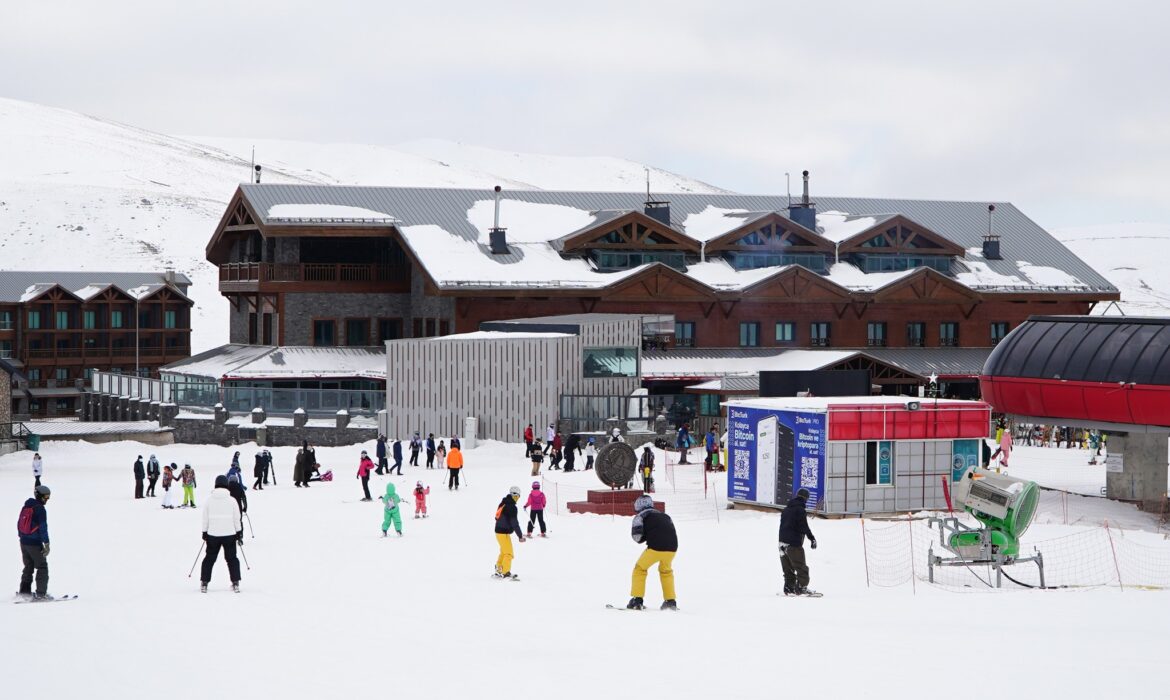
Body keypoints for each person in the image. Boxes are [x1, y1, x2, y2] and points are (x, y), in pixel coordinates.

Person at [628, 494, 677, 610]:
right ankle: (670, 601)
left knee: (639, 569)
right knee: (666, 572)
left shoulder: (641, 516)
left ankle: (637, 600)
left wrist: (645, 535)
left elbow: (637, 537)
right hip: (672, 548)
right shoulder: (664, 515)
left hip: (655, 547)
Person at [200, 475, 243, 593]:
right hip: (229, 534)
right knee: (232, 559)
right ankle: (235, 583)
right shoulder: (232, 500)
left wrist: (204, 532)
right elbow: (236, 518)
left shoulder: (209, 500)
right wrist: (239, 532)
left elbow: (205, 518)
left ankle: (204, 583)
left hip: (213, 535)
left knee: (209, 559)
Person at [779, 487, 818, 596]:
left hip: (781, 543)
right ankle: (801, 587)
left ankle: (789, 587)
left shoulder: (786, 509)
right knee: (801, 567)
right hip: (793, 544)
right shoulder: (800, 510)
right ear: (806, 498)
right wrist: (812, 538)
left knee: (788, 568)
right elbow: (803, 526)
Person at [17, 484, 52, 601]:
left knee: (28, 566)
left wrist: (22, 538)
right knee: (42, 567)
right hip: (33, 543)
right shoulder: (40, 510)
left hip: (24, 542)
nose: (47, 499)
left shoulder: (26, 506)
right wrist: (46, 543)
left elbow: (19, 523)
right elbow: (43, 527)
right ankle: (41, 594)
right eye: (46, 497)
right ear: (40, 496)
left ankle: (24, 592)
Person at [493, 486, 526, 579]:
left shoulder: (503, 502)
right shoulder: (511, 507)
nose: (517, 499)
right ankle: (505, 572)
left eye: (518, 497)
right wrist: (520, 536)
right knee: (509, 553)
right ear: (514, 495)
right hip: (502, 532)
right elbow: (514, 522)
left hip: (500, 532)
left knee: (504, 552)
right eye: (517, 496)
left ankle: (499, 569)